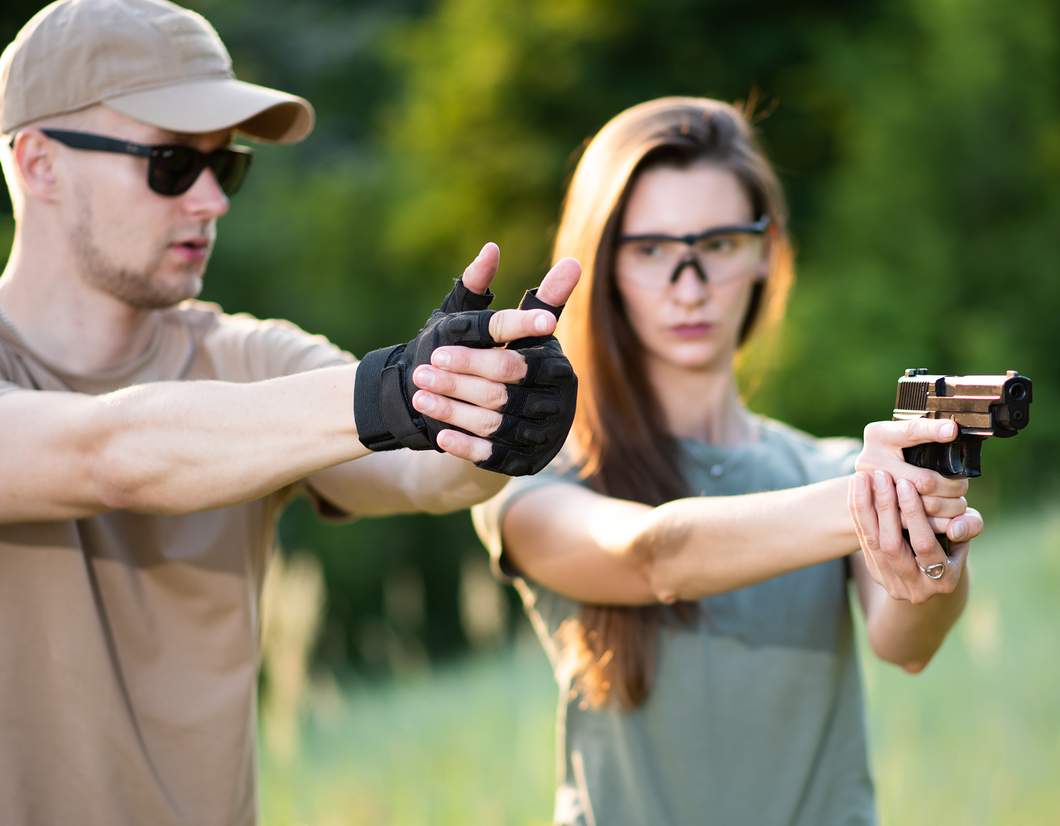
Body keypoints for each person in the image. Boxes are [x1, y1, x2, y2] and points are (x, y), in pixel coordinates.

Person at [0, 0, 579, 824]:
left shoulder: (252, 359)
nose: (212, 201)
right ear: (40, 163)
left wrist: (485, 412)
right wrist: (395, 391)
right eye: (171, 164)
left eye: (225, 166)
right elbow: (107, 457)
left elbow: (422, 475)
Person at [470, 97, 979, 825]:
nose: (689, 284)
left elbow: (907, 642)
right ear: (605, 268)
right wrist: (867, 496)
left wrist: (936, 540)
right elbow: (655, 557)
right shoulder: (535, 473)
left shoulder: (823, 466)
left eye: (719, 244)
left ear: (765, 252)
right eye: (650, 250)